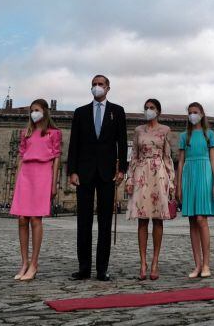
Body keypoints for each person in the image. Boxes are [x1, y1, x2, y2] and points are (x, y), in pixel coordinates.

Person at [66, 75, 128, 281]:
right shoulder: (80, 112)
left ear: (108, 88)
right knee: (83, 221)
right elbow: (73, 143)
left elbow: (122, 141)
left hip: (107, 173)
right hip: (84, 173)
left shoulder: (117, 111)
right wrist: (72, 171)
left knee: (104, 222)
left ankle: (102, 269)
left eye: (100, 84)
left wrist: (122, 170)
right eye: (94, 84)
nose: (97, 87)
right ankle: (84, 268)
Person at [12, 98, 63, 282]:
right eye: (31, 110)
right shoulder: (25, 133)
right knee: (21, 219)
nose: (34, 113)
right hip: (26, 175)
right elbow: (20, 157)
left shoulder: (54, 133)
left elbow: (57, 158)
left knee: (35, 219)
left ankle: (34, 263)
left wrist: (54, 183)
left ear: (45, 112)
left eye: (37, 110)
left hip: (43, 174)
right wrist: (17, 180)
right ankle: (24, 262)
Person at [125, 98, 175, 281]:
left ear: (158, 111)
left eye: (152, 108)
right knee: (142, 220)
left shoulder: (165, 130)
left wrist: (171, 182)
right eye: (146, 108)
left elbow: (168, 157)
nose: (148, 110)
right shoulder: (138, 131)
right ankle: (143, 263)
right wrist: (129, 178)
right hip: (141, 174)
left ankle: (155, 261)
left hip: (159, 172)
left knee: (159, 220)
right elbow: (134, 156)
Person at [176, 101, 214, 279]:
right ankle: (197, 265)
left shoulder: (209, 134)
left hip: (204, 173)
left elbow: (213, 160)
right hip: (189, 175)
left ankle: (207, 264)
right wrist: (178, 185)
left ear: (202, 114)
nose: (192, 115)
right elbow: (180, 162)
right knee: (192, 221)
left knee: (202, 219)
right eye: (190, 112)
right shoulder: (183, 136)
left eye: (195, 112)